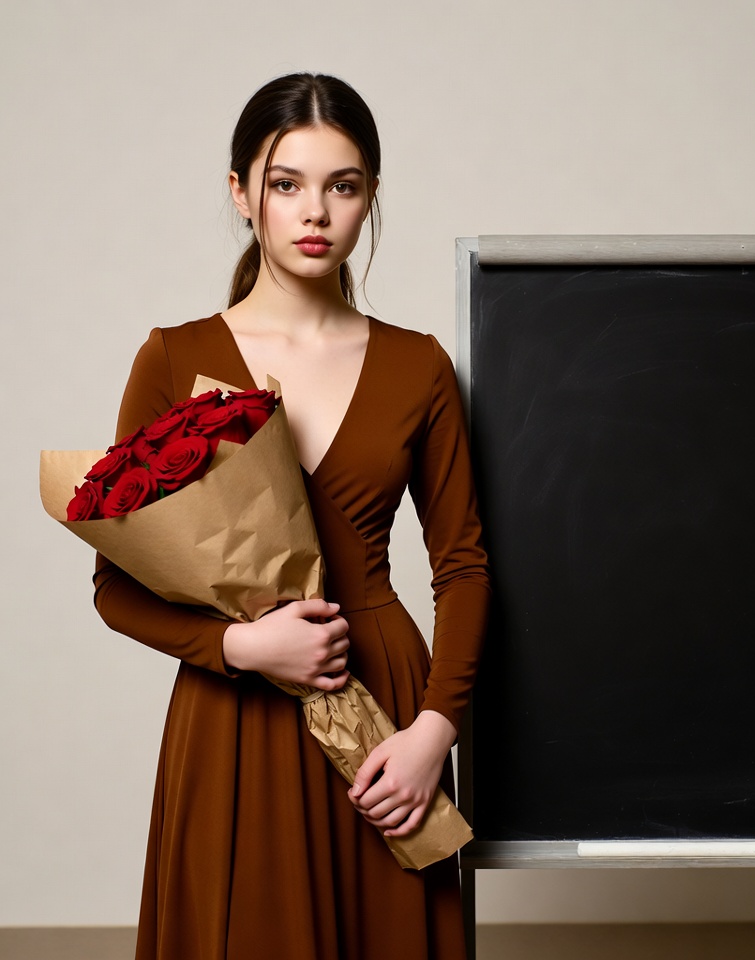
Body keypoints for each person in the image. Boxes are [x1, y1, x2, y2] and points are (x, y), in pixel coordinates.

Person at [92, 72, 490, 960]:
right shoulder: (172, 358)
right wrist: (239, 648)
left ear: (370, 198)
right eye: (286, 184)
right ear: (242, 195)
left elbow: (464, 567)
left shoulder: (418, 366)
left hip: (383, 717)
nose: (316, 212)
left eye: (342, 186)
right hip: (231, 716)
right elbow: (114, 586)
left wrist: (434, 729)